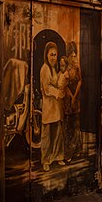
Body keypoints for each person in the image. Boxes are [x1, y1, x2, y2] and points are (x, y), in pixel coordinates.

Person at [39, 42, 65, 171]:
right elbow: (46, 88)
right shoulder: (45, 68)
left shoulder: (54, 69)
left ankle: (57, 157)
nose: (54, 57)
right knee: (47, 135)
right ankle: (45, 160)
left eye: (55, 55)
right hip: (49, 108)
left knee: (57, 133)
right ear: (46, 55)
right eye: (51, 55)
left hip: (56, 107)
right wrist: (58, 93)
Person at [62, 42, 82, 162]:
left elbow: (80, 81)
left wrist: (75, 97)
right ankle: (68, 153)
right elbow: (64, 85)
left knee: (76, 124)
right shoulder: (65, 68)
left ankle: (76, 150)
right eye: (71, 56)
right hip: (67, 100)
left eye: (75, 56)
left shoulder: (77, 68)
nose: (73, 58)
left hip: (76, 98)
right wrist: (71, 97)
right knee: (68, 126)